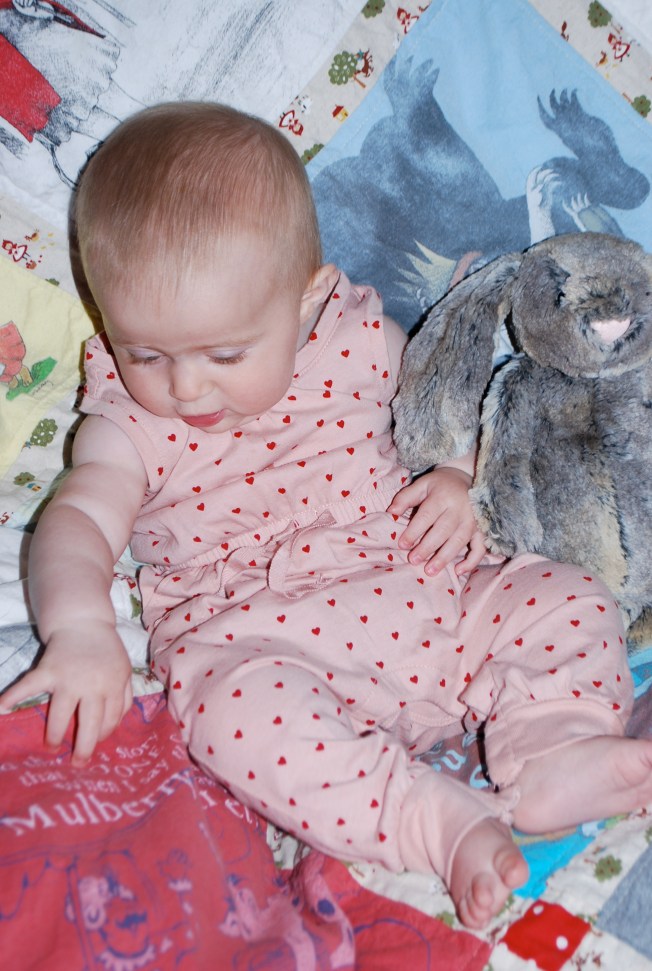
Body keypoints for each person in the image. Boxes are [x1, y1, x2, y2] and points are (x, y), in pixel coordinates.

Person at [2, 101, 652, 931]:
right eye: (146, 353)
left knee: (565, 596)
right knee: (229, 716)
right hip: (262, 640)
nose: (186, 388)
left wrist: (455, 477)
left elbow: (447, 410)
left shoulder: (358, 341)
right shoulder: (129, 425)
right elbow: (79, 524)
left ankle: (556, 744)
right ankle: (432, 820)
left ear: (307, 300)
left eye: (225, 353)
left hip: (427, 584)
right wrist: (81, 628)